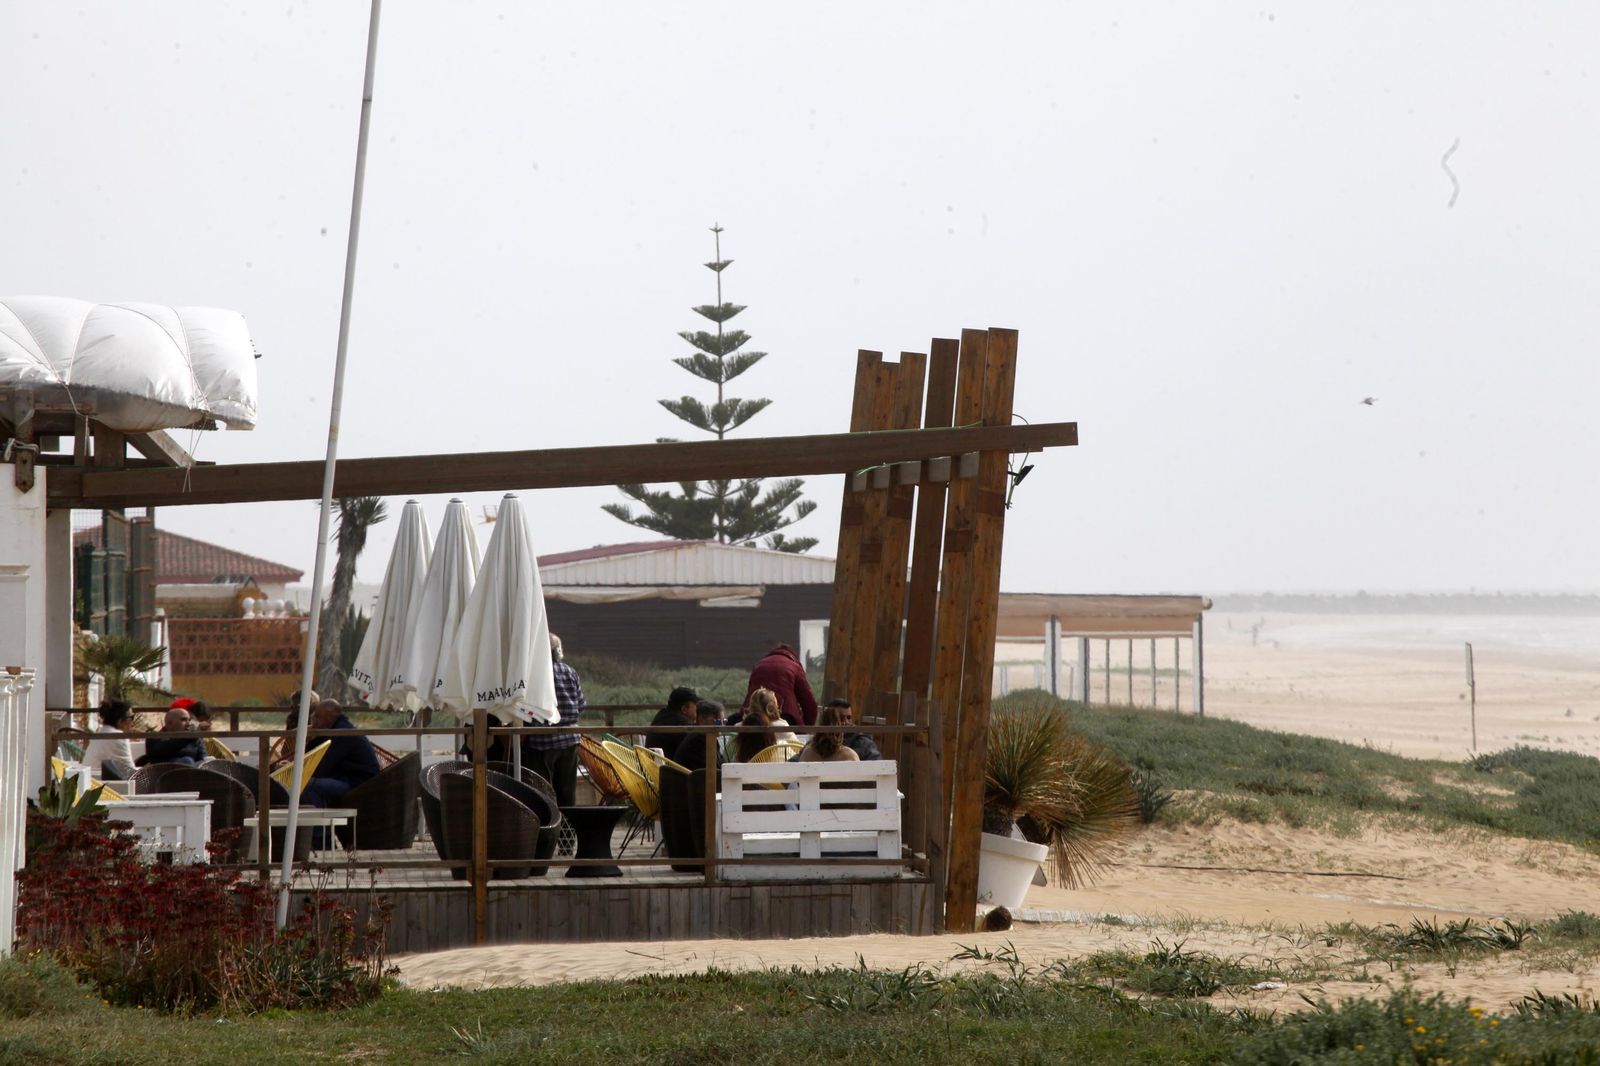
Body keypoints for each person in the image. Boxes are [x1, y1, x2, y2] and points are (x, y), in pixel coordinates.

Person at [526, 633, 583, 807]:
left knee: (543, 792)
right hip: (569, 739)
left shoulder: (533, 673)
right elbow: (580, 704)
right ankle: (567, 830)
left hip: (541, 741)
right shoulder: (570, 671)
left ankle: (548, 828)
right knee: (566, 792)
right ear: (558, 651)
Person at [301, 698, 380, 808]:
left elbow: (321, 769)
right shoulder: (335, 729)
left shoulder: (341, 733)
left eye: (317, 717)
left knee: (306, 785)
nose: (314, 722)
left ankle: (317, 824)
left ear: (330, 717)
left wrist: (311, 740)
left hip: (359, 785)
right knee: (304, 783)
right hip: (346, 779)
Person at [743, 643, 817, 727]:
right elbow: (809, 703)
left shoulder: (759, 665)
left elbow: (751, 694)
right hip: (786, 715)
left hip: (755, 716)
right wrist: (806, 728)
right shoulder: (794, 666)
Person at [731, 688, 797, 763]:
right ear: (773, 706)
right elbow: (797, 748)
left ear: (751, 706)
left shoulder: (741, 727)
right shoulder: (782, 727)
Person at [84, 699, 139, 780]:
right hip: (101, 784)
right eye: (131, 717)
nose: (132, 722)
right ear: (120, 721)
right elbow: (132, 774)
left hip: (91, 780)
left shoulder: (101, 732)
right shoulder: (118, 738)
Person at [137, 704, 205, 766]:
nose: (188, 724)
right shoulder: (154, 738)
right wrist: (187, 737)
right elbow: (164, 749)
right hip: (163, 775)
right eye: (183, 720)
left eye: (189, 720)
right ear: (169, 724)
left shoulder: (194, 739)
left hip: (193, 775)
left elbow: (203, 760)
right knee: (187, 760)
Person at [644, 686, 700, 759]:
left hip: (652, 766)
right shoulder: (681, 724)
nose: (697, 709)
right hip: (668, 768)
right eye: (696, 706)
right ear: (684, 709)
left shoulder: (663, 715)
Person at [674, 699, 724, 772]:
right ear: (701, 720)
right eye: (717, 721)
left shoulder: (706, 738)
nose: (722, 726)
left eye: (724, 721)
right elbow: (713, 771)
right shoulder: (699, 741)